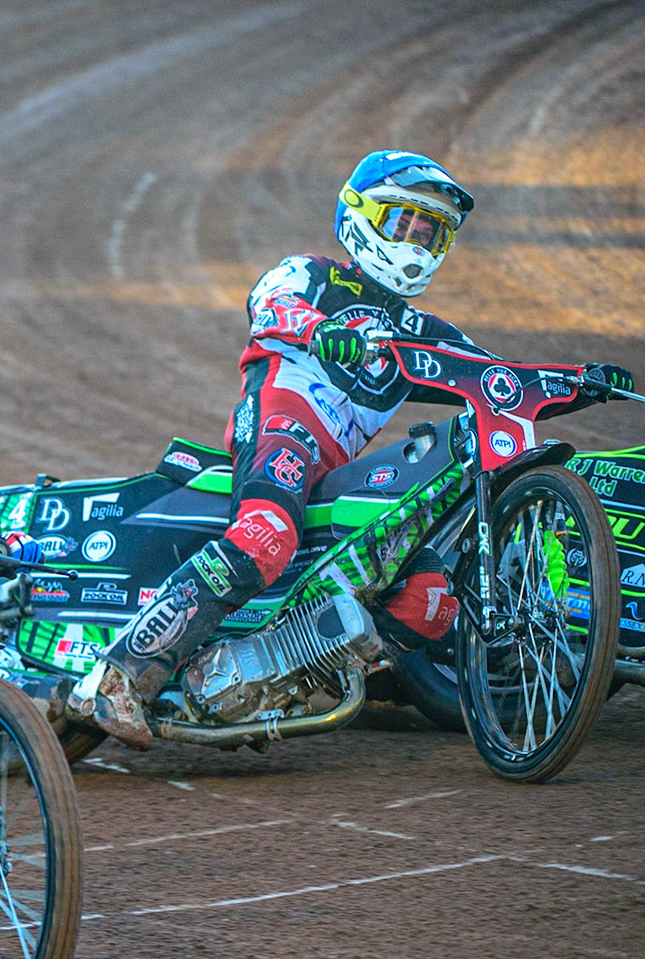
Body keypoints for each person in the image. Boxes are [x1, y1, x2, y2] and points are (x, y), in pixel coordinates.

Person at [70, 149, 637, 750]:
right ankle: (117, 675)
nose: (417, 242)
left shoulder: (424, 332)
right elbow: (267, 305)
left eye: (431, 232)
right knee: (265, 537)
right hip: (281, 427)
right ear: (360, 216)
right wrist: (321, 330)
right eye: (403, 222)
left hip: (336, 472)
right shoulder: (312, 274)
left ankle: (281, 680)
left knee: (430, 597)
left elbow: (499, 380)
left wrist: (582, 382)